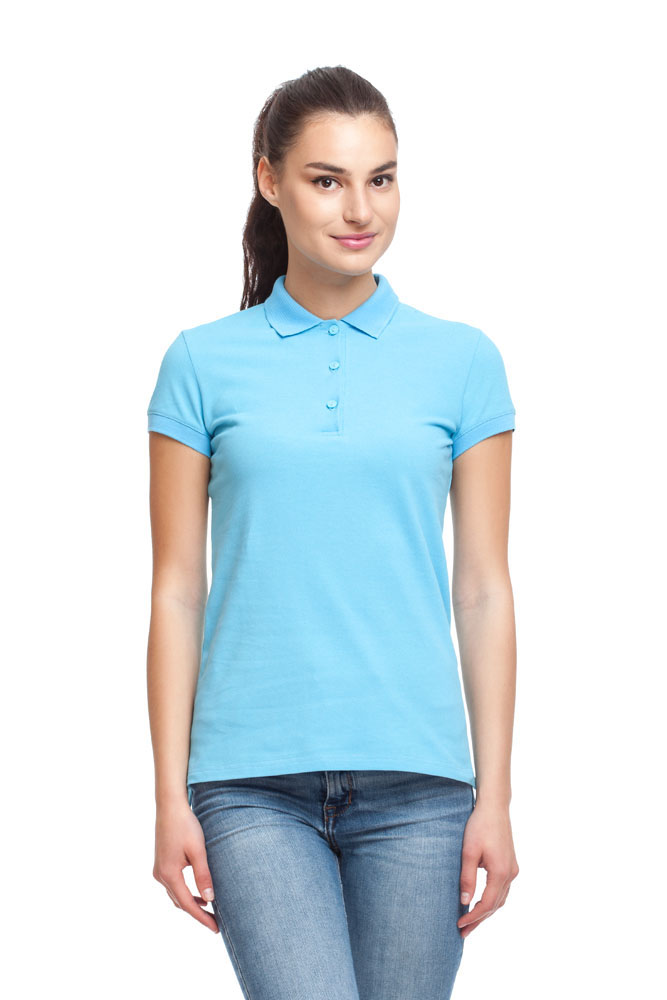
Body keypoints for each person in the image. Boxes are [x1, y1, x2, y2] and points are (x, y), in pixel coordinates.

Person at [146, 64, 519, 1000]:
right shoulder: (200, 363)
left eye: (380, 179)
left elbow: (482, 588)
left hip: (420, 785)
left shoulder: (462, 361)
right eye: (326, 180)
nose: (360, 209)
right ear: (269, 180)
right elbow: (177, 590)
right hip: (249, 782)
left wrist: (496, 797)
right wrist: (166, 797)